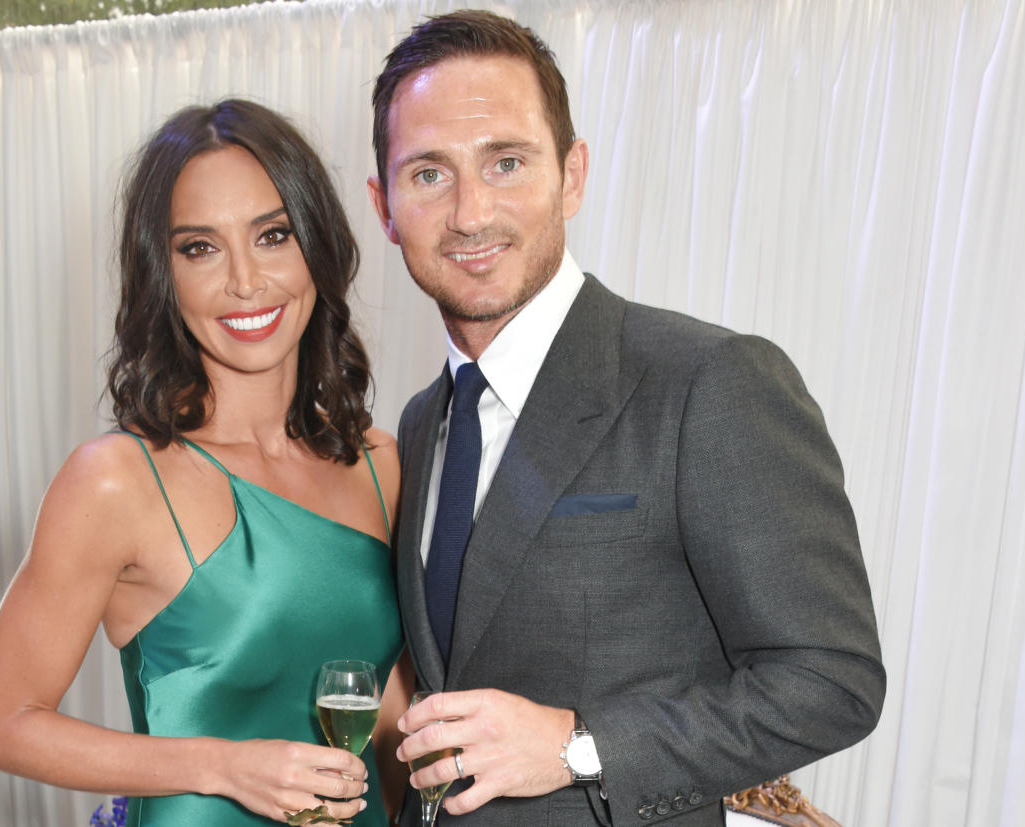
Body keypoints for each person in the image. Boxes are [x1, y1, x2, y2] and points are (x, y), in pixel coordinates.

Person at [366, 11, 886, 826]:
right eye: (428, 173)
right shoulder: (424, 418)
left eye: (506, 162)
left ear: (572, 176)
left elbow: (832, 681)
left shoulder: (708, 381)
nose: (470, 212)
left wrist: (579, 746)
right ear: (385, 206)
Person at [0, 99, 411, 826]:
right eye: (199, 248)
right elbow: (4, 720)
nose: (245, 280)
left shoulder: (377, 462)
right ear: (162, 273)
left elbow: (388, 709)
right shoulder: (114, 480)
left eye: (273, 235)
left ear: (318, 244)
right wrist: (224, 763)